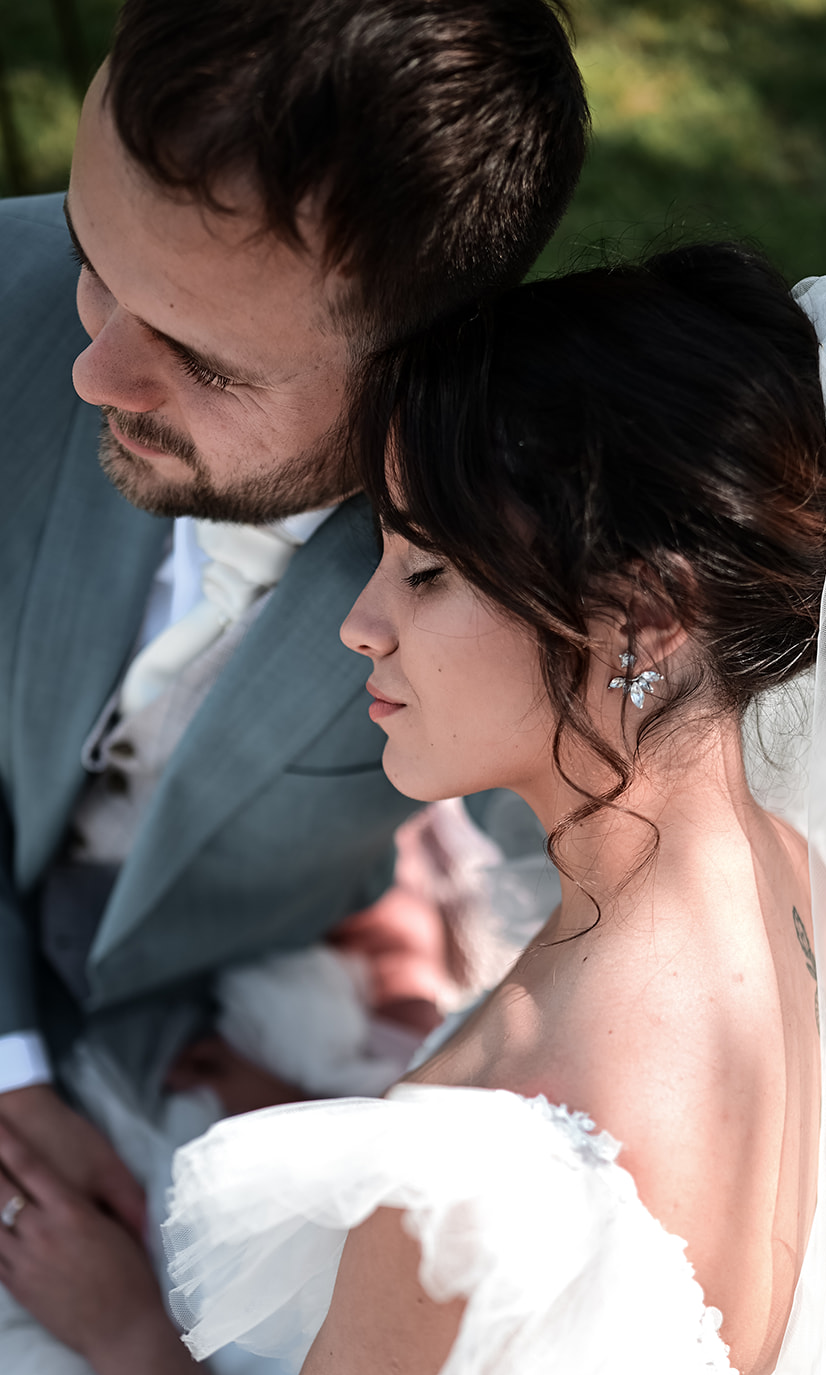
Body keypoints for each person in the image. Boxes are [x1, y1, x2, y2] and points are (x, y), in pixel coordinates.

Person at [2, 241, 826, 1375]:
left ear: (644, 619)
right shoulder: (793, 879)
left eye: (427, 572)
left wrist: (122, 1325)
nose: (362, 627)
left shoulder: (503, 1143)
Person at [0, 0, 585, 1215]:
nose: (91, 370)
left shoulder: (517, 550)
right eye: (91, 260)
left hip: (222, 1033)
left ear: (423, 361)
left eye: (206, 362)